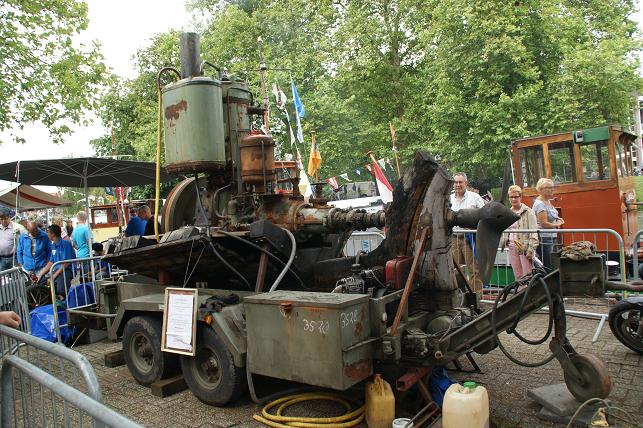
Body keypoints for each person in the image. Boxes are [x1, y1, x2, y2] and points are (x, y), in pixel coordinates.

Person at [450, 172, 486, 292]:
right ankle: (461, 296)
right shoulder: (449, 198)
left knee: (475, 269)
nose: (458, 185)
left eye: (460, 182)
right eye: (456, 182)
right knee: (456, 270)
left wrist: (473, 227)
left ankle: (477, 297)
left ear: (466, 183)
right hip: (453, 239)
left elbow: (484, 215)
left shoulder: (475, 197)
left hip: (470, 239)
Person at [500, 185, 538, 280]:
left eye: (516, 197)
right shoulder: (508, 212)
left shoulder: (528, 212)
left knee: (527, 274)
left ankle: (528, 289)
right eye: (511, 197)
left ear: (520, 197)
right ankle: (521, 289)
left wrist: (531, 249)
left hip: (524, 246)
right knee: (517, 274)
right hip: (512, 246)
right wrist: (504, 241)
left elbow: (534, 231)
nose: (513, 199)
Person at [532, 178, 564, 269]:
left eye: (553, 187)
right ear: (541, 189)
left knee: (552, 262)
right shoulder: (540, 204)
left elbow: (551, 215)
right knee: (548, 264)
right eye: (549, 187)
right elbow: (544, 223)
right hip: (544, 238)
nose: (552, 189)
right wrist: (557, 224)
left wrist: (558, 218)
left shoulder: (547, 201)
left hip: (550, 236)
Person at [36, 224, 75, 298]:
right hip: (57, 269)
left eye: (48, 232)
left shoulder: (65, 244)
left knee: (60, 289)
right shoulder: (53, 245)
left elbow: (66, 264)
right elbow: (51, 262)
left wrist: (53, 276)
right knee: (41, 281)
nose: (47, 234)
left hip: (66, 270)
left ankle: (64, 299)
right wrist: (40, 274)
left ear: (52, 234)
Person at [16, 216, 51, 283]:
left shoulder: (44, 236)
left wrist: (47, 262)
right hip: (27, 267)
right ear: (28, 230)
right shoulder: (22, 237)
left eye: (36, 230)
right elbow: (19, 251)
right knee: (28, 286)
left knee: (41, 286)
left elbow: (49, 250)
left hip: (41, 267)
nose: (35, 233)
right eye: (33, 232)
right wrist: (21, 264)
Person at [71, 210, 94, 278]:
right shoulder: (86, 229)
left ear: (78, 218)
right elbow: (90, 242)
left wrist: (79, 248)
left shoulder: (74, 230)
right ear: (86, 218)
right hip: (87, 255)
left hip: (79, 255)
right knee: (89, 276)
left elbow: (73, 244)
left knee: (83, 276)